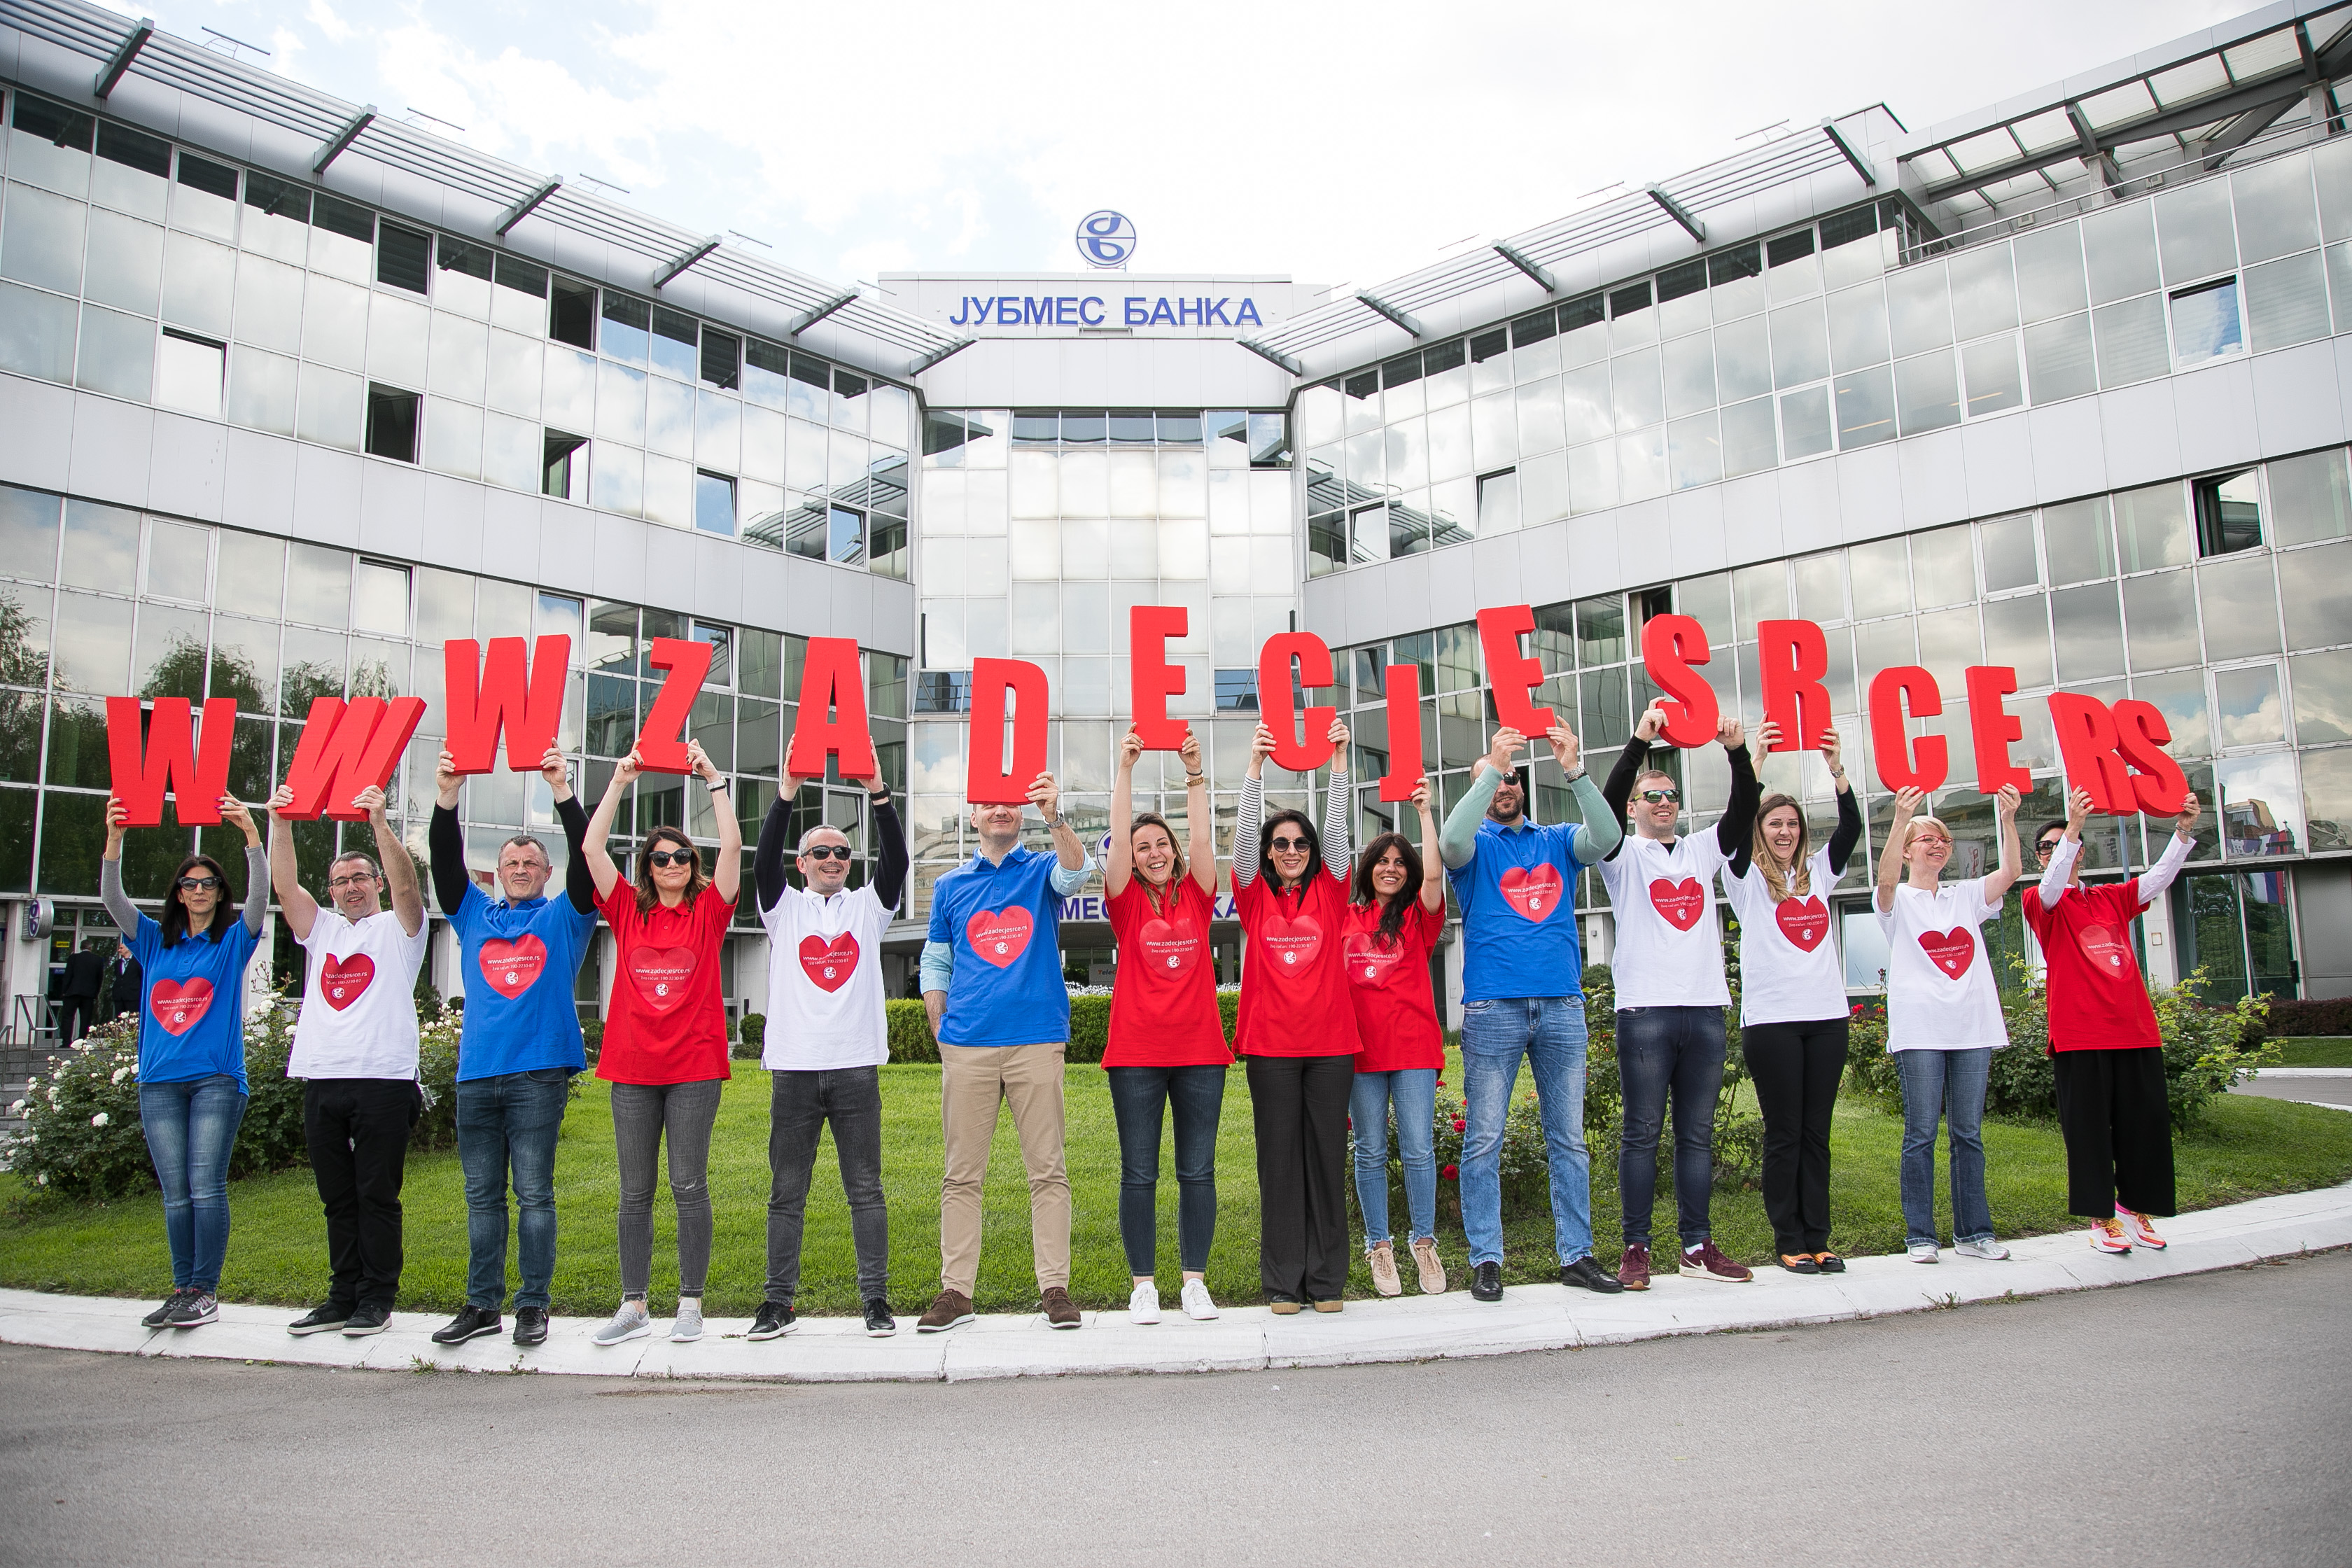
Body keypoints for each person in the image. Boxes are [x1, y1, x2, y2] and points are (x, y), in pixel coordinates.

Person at [1439, 722, 1626, 1303]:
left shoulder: (1558, 841)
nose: (1505, 784)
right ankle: (1486, 1258)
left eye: (1512, 776)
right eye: (1494, 778)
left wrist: (1575, 769)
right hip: (1494, 1007)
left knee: (1568, 1139)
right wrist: (1491, 766)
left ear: (1524, 786)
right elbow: (1448, 843)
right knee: (1484, 1139)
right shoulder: (1474, 850)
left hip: (1561, 1005)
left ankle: (1577, 1255)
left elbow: (1608, 837)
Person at [426, 747, 599, 1349]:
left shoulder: (566, 917)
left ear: (547, 873)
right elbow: (444, 863)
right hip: (477, 1075)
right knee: (481, 1199)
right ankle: (482, 1306)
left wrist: (562, 790)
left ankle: (532, 1306)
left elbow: (588, 859)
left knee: (533, 1195)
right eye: (512, 862)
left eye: (531, 862)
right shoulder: (474, 916)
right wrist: (447, 795)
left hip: (537, 1076)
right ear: (498, 872)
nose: (521, 868)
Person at [917, 769, 1094, 1332]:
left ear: (1021, 814)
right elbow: (936, 960)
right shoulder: (950, 886)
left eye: (1010, 803)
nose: (1001, 810)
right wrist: (940, 1027)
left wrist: (1055, 816)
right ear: (972, 816)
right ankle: (956, 1293)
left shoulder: (1041, 870)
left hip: (1035, 1039)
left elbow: (1078, 874)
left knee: (1048, 1170)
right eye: (989, 803)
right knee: (960, 1176)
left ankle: (1055, 1288)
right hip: (967, 1046)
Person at [582, 742, 742, 1347]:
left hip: (694, 1068)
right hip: (632, 1069)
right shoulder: (626, 909)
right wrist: (619, 781)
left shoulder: (709, 912)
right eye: (659, 857)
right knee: (634, 1192)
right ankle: (634, 1304)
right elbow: (592, 848)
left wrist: (714, 780)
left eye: (680, 856)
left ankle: (691, 1303)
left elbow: (733, 848)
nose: (671, 863)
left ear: (691, 863)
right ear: (647, 867)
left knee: (689, 1185)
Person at [1597, 703, 1760, 1290]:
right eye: (1652, 796)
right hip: (1645, 1012)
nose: (1663, 803)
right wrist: (1640, 741)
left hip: (1705, 1011)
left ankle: (1696, 1246)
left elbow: (1744, 812)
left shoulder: (1700, 850)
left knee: (1697, 1135)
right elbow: (1605, 806)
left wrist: (1738, 753)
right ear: (1635, 808)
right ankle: (1636, 1247)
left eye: (1670, 796)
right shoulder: (1621, 855)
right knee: (1641, 1133)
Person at [750, 760, 908, 1340]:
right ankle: (777, 1303)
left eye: (842, 852)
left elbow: (897, 862)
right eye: (821, 852)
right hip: (794, 1070)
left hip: (855, 1069)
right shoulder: (782, 909)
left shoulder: (869, 908)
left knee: (865, 1190)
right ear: (803, 863)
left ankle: (876, 1300)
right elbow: (763, 862)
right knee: (786, 1193)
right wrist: (786, 794)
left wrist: (879, 794)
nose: (834, 859)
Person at [267, 783, 430, 1338]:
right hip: (323, 1079)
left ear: (376, 884)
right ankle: (342, 1296)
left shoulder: (400, 929)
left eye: (361, 877)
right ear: (332, 891)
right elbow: (284, 886)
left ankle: (376, 1299)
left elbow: (409, 886)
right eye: (341, 881)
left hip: (383, 1080)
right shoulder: (323, 931)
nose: (351, 887)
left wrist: (380, 823)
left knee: (376, 1195)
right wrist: (281, 822)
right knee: (336, 1197)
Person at [99, 792, 267, 1330]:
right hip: (159, 1084)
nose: (198, 891)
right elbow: (112, 899)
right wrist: (115, 838)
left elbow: (261, 900)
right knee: (175, 1195)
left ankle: (204, 1292)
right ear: (178, 893)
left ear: (220, 893)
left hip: (216, 1081)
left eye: (208, 883)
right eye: (189, 884)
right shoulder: (153, 942)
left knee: (205, 1187)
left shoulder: (232, 943)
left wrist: (251, 836)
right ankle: (181, 1290)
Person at [2025, 788, 2201, 1255]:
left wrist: (2183, 831)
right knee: (2089, 1133)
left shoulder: (2110, 897)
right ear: (2040, 857)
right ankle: (2101, 1218)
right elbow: (2053, 885)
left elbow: (2158, 878)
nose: (2055, 850)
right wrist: (2073, 829)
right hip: (2080, 1036)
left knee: (2144, 1127)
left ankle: (2133, 1208)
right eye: (2046, 846)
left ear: (2083, 853)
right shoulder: (2041, 902)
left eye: (2063, 844)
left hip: (2134, 1029)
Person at [1718, 724, 1863, 1275]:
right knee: (1784, 1134)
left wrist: (1836, 769)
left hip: (1827, 1021)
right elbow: (1734, 822)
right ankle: (1789, 1239)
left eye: (1793, 824)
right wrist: (1753, 760)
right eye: (1775, 823)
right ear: (1760, 829)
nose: (1785, 831)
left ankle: (1819, 1237)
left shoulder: (1818, 874)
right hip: (1773, 1024)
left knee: (1816, 1134)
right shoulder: (1743, 878)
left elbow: (1850, 828)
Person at [1104, 727, 1230, 1324]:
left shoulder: (1199, 896)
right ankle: (1144, 1285)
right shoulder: (1125, 903)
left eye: (1162, 845)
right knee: (1139, 1173)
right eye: (1142, 847)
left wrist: (1195, 774)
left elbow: (1203, 837)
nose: (1154, 853)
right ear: (1130, 859)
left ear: (1175, 853)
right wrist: (1125, 769)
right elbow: (1118, 837)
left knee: (1197, 1171)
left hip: (1201, 1054)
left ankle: (1194, 1282)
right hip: (1136, 1057)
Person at [1233, 718, 1358, 1314]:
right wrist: (1254, 769)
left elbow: (1337, 831)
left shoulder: (1332, 891)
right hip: (1271, 1051)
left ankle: (1327, 1282)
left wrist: (1339, 763)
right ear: (1268, 853)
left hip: (1331, 1049)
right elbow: (1239, 846)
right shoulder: (1253, 896)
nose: (1291, 852)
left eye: (1300, 844)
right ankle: (1284, 1282)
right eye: (1280, 844)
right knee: (1279, 1164)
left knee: (1326, 1161)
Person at [1875, 783, 2025, 1264]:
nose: (1938, 845)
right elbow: (1884, 881)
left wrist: (2007, 819)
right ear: (1907, 850)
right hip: (1921, 1031)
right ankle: (1920, 1236)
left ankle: (1974, 1233)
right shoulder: (1898, 899)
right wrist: (1902, 819)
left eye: (1944, 840)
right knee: (1921, 1135)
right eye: (1928, 839)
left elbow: (2013, 872)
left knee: (1968, 1135)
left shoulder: (1966, 896)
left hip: (1972, 1029)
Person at [1345, 776, 1448, 1298]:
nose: (1391, 868)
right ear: (1369, 869)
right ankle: (1379, 1245)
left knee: (1418, 1149)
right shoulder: (1347, 917)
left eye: (1399, 862)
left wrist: (1425, 813)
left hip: (1412, 1049)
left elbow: (1435, 875)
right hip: (1360, 1052)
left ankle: (1423, 1242)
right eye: (1382, 861)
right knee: (1368, 1151)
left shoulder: (1417, 918)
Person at [58, 937, 106, 1044]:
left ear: (81, 948)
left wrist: (64, 991)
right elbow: (100, 979)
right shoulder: (98, 960)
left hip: (73, 992)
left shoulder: (73, 958)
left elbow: (68, 976)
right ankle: (82, 1040)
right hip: (89, 994)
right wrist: (96, 993)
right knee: (86, 1018)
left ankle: (66, 1041)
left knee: (68, 1017)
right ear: (91, 948)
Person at [102, 938, 142, 1026]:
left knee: (132, 1020)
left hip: (132, 996)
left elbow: (141, 978)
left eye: (121, 948)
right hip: (119, 997)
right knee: (120, 1020)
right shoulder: (118, 963)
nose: (119, 950)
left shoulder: (138, 962)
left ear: (128, 948)